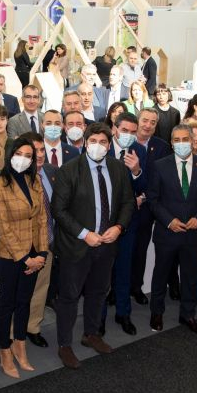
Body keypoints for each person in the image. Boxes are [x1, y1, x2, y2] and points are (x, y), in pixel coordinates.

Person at [52, 123, 135, 369]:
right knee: (69, 297)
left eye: (103, 142)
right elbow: (59, 209)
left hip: (107, 245)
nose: (98, 146)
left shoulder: (118, 169)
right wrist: (84, 233)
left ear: (109, 145)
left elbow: (128, 202)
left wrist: (119, 227)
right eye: (93, 141)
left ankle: (91, 334)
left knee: (98, 292)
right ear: (85, 143)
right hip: (77, 246)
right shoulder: (69, 170)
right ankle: (64, 345)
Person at [147, 124, 197, 334]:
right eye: (176, 140)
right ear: (171, 143)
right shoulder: (160, 166)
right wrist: (169, 221)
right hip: (167, 232)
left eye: (185, 139)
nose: (181, 143)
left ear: (193, 140)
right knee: (161, 274)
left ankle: (188, 314)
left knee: (190, 276)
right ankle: (157, 312)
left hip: (194, 233)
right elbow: (153, 199)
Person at [0, 136, 48, 377]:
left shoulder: (34, 180)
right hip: (11, 256)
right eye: (19, 154)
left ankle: (19, 344)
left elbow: (42, 219)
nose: (23, 159)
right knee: (7, 304)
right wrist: (25, 258)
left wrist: (42, 254)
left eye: (29, 156)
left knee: (24, 302)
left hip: (35, 254)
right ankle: (4, 349)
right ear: (10, 154)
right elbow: (3, 228)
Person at [103, 113, 147, 336]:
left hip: (128, 222)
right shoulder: (101, 147)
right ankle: (98, 320)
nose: (129, 135)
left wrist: (137, 172)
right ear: (115, 129)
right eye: (125, 130)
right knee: (101, 274)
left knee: (124, 269)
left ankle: (124, 314)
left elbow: (146, 185)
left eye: (133, 131)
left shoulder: (139, 151)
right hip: (103, 223)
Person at [131, 109, 171, 304]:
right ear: (137, 121)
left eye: (152, 122)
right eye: (144, 120)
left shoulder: (161, 147)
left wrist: (145, 196)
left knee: (140, 251)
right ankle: (113, 289)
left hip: (147, 209)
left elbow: (160, 179)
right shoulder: (126, 141)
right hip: (122, 208)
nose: (147, 125)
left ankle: (136, 287)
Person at [23, 133, 56, 347]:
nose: (40, 155)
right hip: (24, 248)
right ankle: (13, 334)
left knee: (40, 289)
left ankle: (32, 327)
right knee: (19, 293)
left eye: (42, 150)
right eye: (34, 152)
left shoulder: (53, 173)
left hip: (49, 244)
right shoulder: (14, 179)